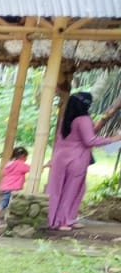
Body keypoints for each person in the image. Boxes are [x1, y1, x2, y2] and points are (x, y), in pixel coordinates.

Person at [46, 93, 120, 231]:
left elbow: (59, 139)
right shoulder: (84, 119)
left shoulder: (66, 118)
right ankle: (64, 220)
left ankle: (53, 219)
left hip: (60, 157)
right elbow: (89, 140)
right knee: (72, 190)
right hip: (77, 158)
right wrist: (113, 139)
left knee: (56, 189)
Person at [0, 145, 30, 227]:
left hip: (5, 186)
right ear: (22, 156)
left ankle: (6, 220)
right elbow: (32, 169)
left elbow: (3, 173)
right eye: (26, 157)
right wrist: (45, 165)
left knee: (8, 203)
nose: (26, 159)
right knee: (5, 202)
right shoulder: (19, 164)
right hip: (13, 187)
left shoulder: (9, 164)